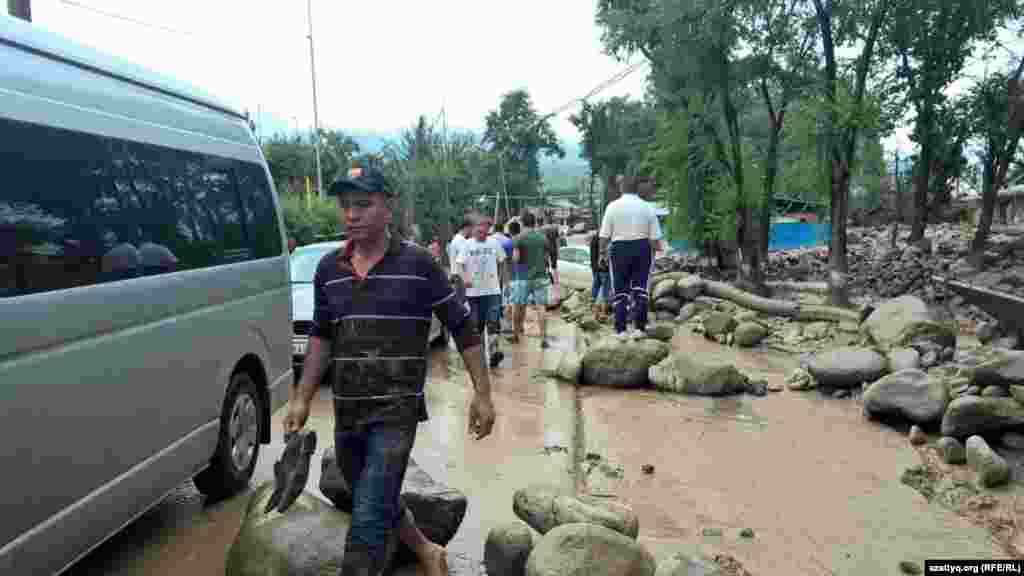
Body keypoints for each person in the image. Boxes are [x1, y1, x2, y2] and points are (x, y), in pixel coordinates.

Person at [283, 166, 495, 576]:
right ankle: (427, 550)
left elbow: (462, 328)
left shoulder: (418, 264)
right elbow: (321, 337)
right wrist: (301, 398)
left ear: (387, 206)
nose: (352, 215)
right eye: (346, 206)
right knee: (371, 493)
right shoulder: (329, 269)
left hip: (396, 412)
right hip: (346, 410)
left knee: (367, 520)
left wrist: (483, 395)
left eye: (363, 204)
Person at [598, 175, 663, 335]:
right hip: (642, 249)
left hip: (619, 249)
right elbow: (655, 240)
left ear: (622, 188)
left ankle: (621, 331)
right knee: (641, 289)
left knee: (620, 292)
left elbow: (604, 236)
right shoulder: (647, 208)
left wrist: (602, 254)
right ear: (637, 189)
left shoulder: (612, 207)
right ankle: (639, 329)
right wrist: (658, 251)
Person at [455, 214, 506, 368]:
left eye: (484, 228)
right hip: (474, 293)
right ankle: (481, 358)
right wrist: (465, 278)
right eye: (478, 228)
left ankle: (493, 352)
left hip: (493, 291)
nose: (481, 230)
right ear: (474, 229)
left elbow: (503, 262)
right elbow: (459, 264)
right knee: (477, 326)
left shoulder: (494, 244)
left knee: (493, 323)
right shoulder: (467, 245)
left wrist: (504, 282)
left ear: (488, 229)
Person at [510, 212, 553, 348]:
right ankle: (544, 338)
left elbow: (516, 259)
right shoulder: (542, 238)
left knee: (518, 306)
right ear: (534, 223)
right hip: (541, 276)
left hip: (523, 278)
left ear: (522, 223)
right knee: (541, 307)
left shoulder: (518, 238)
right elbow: (547, 258)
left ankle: (516, 335)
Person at [490, 220, 514, 333]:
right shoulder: (508, 241)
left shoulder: (490, 240)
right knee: (506, 300)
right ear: (503, 229)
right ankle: (508, 324)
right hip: (506, 274)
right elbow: (510, 260)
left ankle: (496, 324)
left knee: (494, 300)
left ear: (494, 229)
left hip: (491, 275)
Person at [589, 232, 610, 321]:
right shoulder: (606, 239)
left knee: (596, 289)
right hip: (604, 269)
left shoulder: (594, 238)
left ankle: (595, 312)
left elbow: (592, 255)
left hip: (595, 269)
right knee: (604, 291)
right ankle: (602, 313)